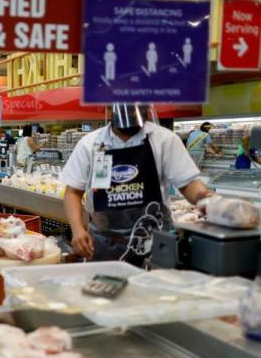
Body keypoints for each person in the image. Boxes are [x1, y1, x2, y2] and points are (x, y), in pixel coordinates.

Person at [60, 103, 213, 265]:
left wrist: (207, 199)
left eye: (136, 108)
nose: (131, 113)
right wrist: (77, 229)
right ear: (109, 110)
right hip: (103, 243)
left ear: (146, 108)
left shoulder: (164, 140)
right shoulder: (90, 144)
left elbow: (188, 184)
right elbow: (73, 192)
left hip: (155, 241)